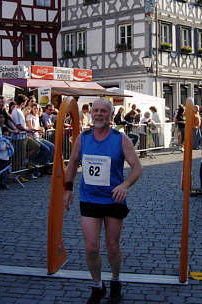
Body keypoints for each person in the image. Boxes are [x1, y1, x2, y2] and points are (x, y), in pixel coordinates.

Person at [63, 97, 142, 304]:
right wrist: (68, 189)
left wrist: (124, 185)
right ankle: (97, 285)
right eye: (95, 110)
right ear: (91, 113)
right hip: (89, 198)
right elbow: (72, 163)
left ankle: (115, 280)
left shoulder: (120, 139)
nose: (98, 114)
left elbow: (137, 167)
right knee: (91, 247)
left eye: (103, 111)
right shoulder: (83, 137)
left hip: (113, 200)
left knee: (112, 246)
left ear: (110, 114)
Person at [26, 103, 54, 172]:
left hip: (38, 136)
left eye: (38, 109)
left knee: (52, 146)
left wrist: (42, 129)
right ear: (32, 109)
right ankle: (37, 161)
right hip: (32, 137)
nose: (36, 110)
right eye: (35, 108)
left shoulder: (37, 116)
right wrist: (39, 130)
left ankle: (46, 163)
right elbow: (30, 128)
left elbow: (38, 126)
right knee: (46, 149)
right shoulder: (29, 116)